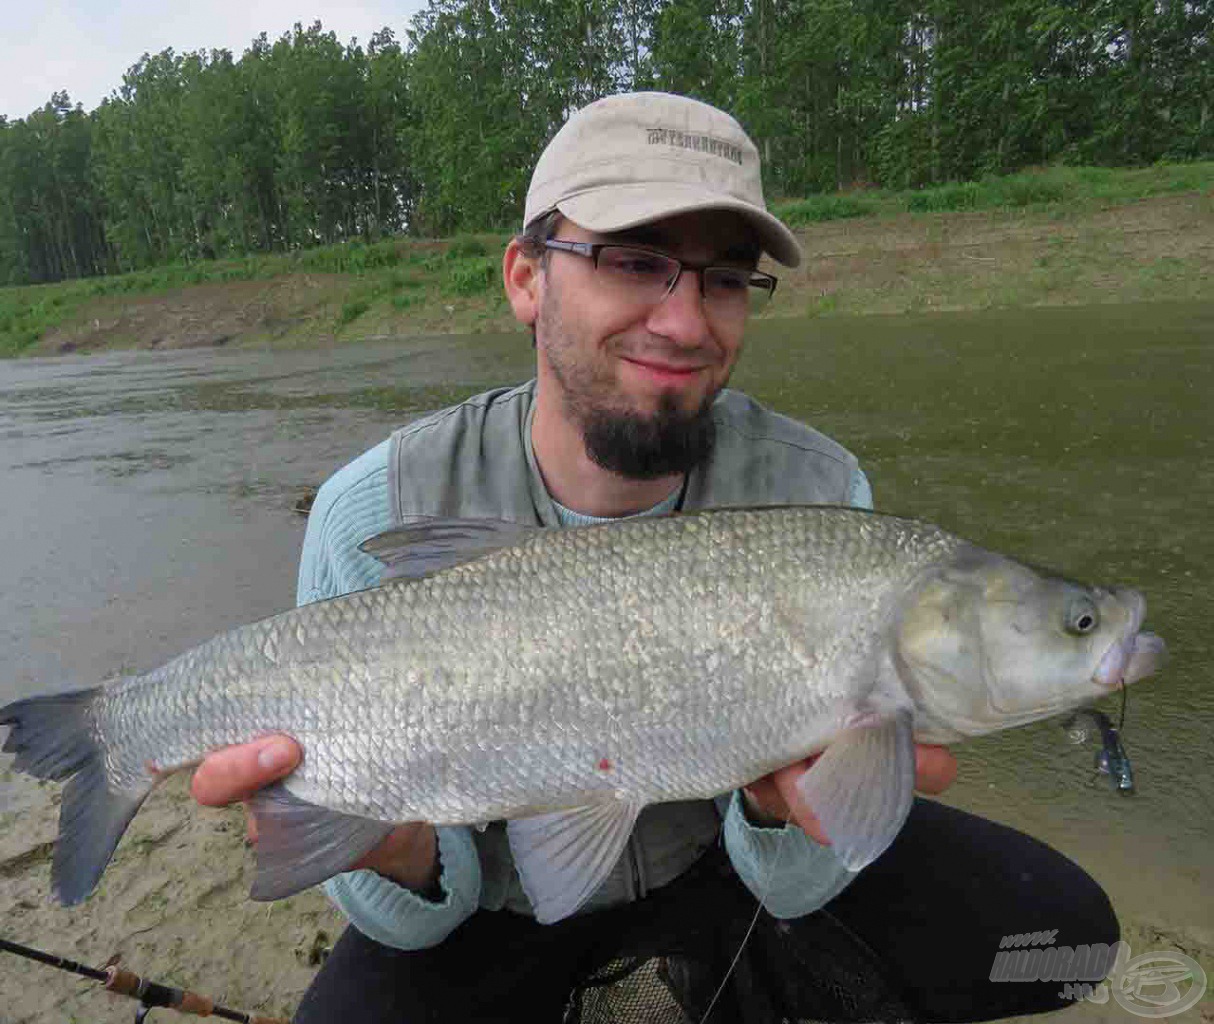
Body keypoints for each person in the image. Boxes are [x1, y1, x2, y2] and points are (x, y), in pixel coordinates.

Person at [189, 93, 1118, 1022]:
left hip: (717, 876)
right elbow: (415, 923)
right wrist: (397, 853)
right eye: (633, 262)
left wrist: (778, 811)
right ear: (525, 278)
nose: (683, 323)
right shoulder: (373, 507)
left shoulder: (819, 492)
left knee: (1063, 943)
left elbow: (794, 886)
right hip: (493, 908)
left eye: (722, 279)